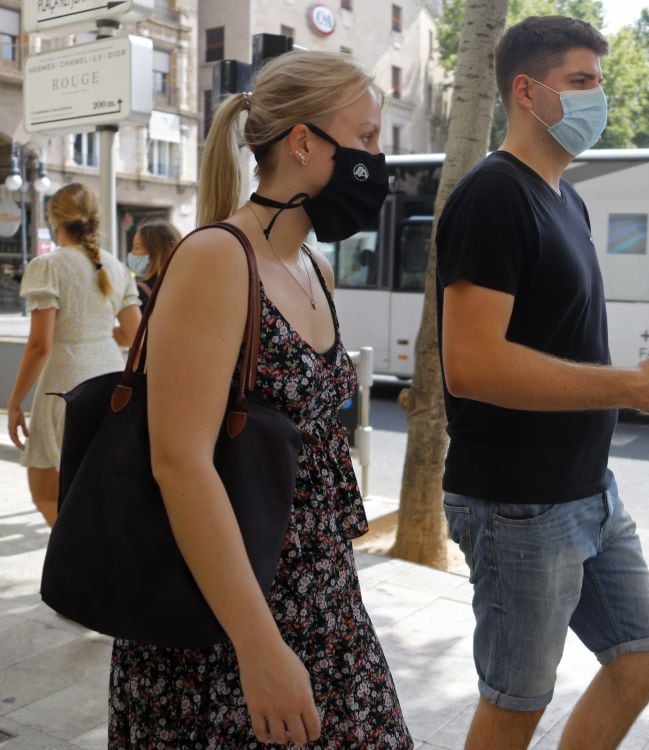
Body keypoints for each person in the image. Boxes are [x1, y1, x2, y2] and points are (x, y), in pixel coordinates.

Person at [108, 51, 412, 747]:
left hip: (324, 604)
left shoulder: (314, 268)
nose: (376, 159)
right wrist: (260, 648)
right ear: (303, 142)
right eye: (365, 138)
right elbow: (180, 463)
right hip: (226, 627)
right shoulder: (217, 258)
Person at [436, 16, 649, 750]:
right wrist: (630, 386)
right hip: (520, 505)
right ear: (527, 92)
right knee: (516, 702)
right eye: (582, 82)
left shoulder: (567, 199)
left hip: (587, 491)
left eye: (600, 82)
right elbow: (472, 364)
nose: (600, 97)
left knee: (643, 662)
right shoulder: (493, 195)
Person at [6, 183, 141, 527]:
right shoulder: (114, 266)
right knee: (94, 489)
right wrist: (93, 333)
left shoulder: (48, 265)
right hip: (110, 380)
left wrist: (15, 402)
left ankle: (81, 568)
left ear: (55, 219)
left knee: (47, 492)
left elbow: (40, 344)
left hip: (65, 388)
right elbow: (133, 334)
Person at [127, 217, 180, 308]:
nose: (131, 253)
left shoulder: (139, 293)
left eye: (137, 247)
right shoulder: (186, 286)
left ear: (156, 252)